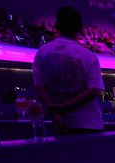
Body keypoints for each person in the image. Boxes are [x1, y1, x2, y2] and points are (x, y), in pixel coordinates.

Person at [32, 6, 104, 134]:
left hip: (56, 123)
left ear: (56, 25)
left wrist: (55, 113)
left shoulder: (41, 53)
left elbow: (39, 87)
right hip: (88, 123)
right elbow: (93, 90)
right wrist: (65, 107)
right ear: (81, 28)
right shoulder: (89, 55)